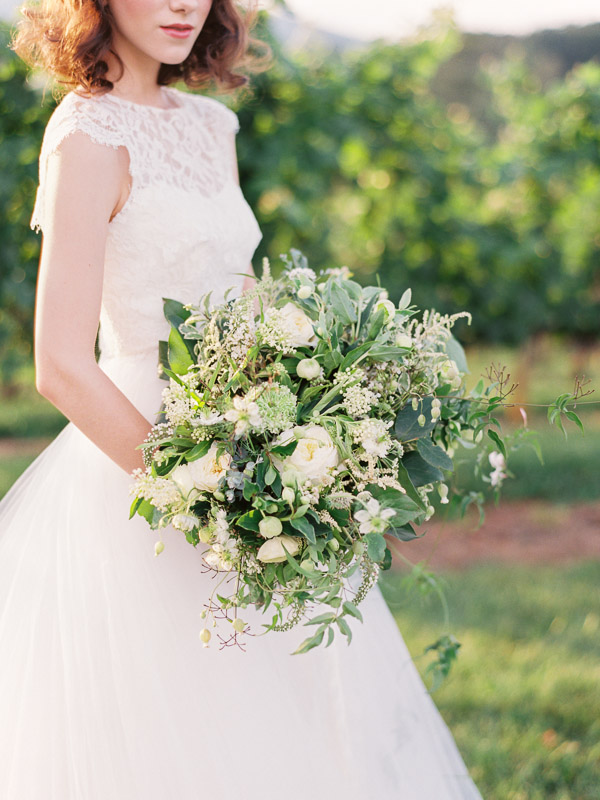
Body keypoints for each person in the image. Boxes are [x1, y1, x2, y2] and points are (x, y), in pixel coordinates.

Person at [0, 1, 483, 797]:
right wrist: (201, 497)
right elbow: (59, 363)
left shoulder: (211, 127)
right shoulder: (85, 133)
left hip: (254, 444)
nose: (183, 4)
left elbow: (239, 299)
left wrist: (311, 413)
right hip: (149, 465)